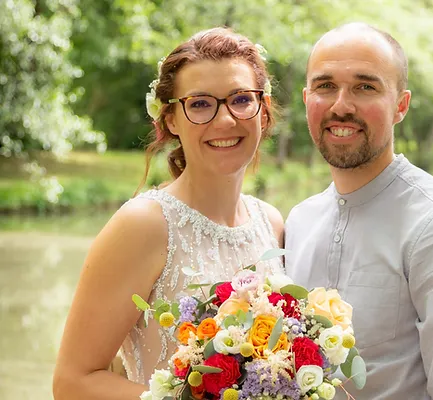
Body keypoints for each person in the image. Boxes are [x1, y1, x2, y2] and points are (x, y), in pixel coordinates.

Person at [53, 28, 284, 399]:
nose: (225, 120)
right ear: (171, 119)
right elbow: (72, 383)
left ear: (263, 110)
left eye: (241, 99)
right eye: (200, 104)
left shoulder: (271, 223)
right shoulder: (143, 225)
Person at [285, 22, 433, 399]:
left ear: (400, 105)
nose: (341, 105)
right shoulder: (299, 221)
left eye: (365, 87)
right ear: (306, 99)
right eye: (325, 86)